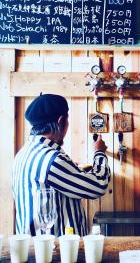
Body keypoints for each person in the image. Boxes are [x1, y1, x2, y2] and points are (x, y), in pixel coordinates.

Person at [12, 94, 111, 237]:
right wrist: (99, 153)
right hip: (57, 252)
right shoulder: (52, 159)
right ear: (61, 121)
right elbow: (99, 185)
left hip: (34, 249)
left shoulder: (23, 153)